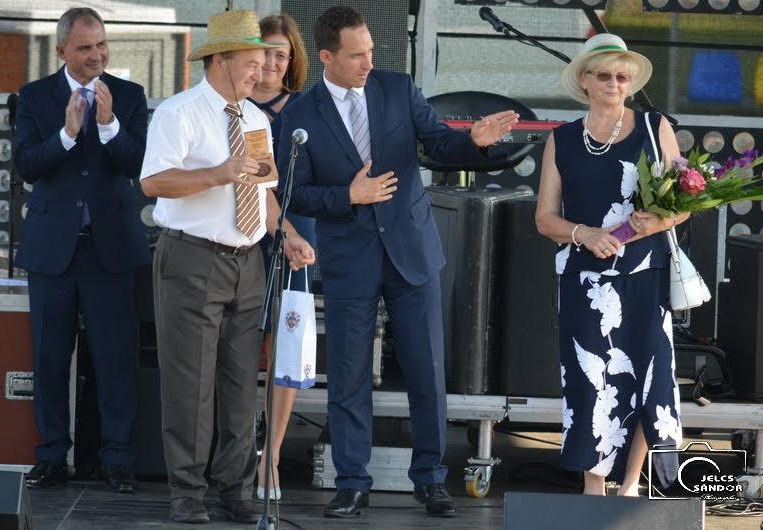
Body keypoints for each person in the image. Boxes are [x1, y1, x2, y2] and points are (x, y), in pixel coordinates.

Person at [277, 5, 518, 519]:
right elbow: (294, 192)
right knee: (347, 374)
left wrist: (472, 141)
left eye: (371, 51)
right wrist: (349, 195)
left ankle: (431, 481)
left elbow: (438, 144)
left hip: (411, 250)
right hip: (349, 258)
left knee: (428, 371)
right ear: (326, 57)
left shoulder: (397, 87)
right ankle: (351, 482)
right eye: (356, 54)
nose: (369, 61)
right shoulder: (299, 114)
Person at [139, 10, 315, 525]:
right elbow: (153, 183)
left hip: (247, 261)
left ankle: (233, 489)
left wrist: (287, 234)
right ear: (219, 60)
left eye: (263, 64)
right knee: (191, 383)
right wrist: (218, 173)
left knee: (241, 381)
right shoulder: (180, 112)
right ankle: (187, 493)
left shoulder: (256, 120)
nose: (260, 74)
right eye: (251, 64)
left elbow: (263, 192)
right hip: (192, 256)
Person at [535, 33, 687, 497]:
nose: (615, 83)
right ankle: (594, 487)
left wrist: (654, 222)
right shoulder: (561, 139)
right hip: (585, 278)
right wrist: (585, 233)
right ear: (584, 80)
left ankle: (630, 486)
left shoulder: (654, 126)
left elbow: (686, 204)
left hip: (646, 274)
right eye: (605, 75)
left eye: (623, 76)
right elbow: (544, 218)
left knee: (649, 376)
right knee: (590, 380)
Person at [13, 6, 149, 494]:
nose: (96, 56)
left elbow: (139, 165)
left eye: (102, 45)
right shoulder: (33, 96)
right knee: (50, 358)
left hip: (110, 248)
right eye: (85, 48)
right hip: (53, 250)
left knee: (115, 359)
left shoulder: (129, 95)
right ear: (62, 51)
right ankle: (51, 455)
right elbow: (28, 165)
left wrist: (109, 125)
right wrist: (68, 134)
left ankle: (118, 458)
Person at [247, 13, 313, 502]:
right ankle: (231, 452)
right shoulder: (231, 106)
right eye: (265, 49)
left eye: (281, 53)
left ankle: (270, 454)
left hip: (295, 236)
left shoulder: (307, 109)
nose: (271, 60)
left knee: (283, 348)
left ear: (293, 62)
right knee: (238, 346)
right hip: (239, 234)